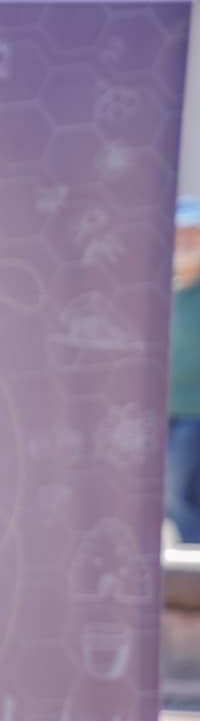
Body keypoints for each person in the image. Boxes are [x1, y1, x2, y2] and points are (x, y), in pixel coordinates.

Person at [169, 195, 200, 544]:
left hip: (194, 413)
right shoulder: (159, 292)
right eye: (179, 235)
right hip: (162, 411)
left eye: (193, 235)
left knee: (179, 493)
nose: (185, 243)